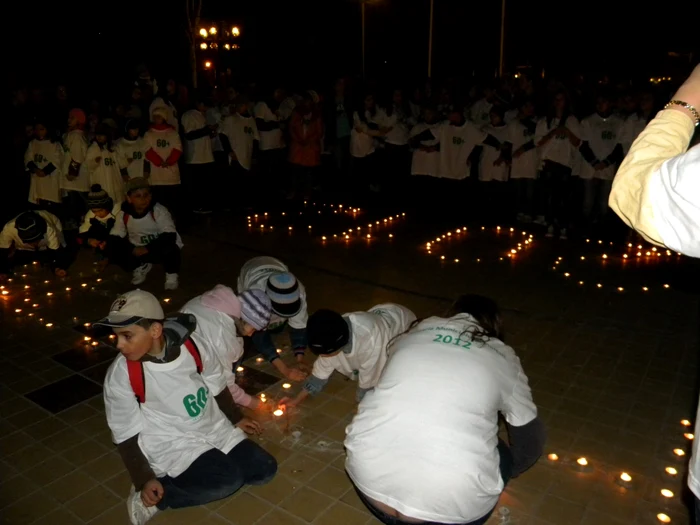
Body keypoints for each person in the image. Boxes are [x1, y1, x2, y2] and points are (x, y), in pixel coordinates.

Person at [345, 294, 545, 525]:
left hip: (369, 486)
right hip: (447, 515)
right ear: (492, 324)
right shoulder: (504, 355)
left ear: (454, 312)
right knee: (497, 447)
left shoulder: (415, 331)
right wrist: (505, 470)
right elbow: (531, 441)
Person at [99, 290, 276, 525]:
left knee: (264, 469)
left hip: (211, 426)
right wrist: (143, 479)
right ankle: (161, 496)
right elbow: (124, 433)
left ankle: (208, 462)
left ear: (155, 330)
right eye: (116, 337)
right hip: (174, 441)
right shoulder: (123, 374)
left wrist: (235, 418)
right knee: (228, 480)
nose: (119, 345)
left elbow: (216, 382)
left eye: (127, 336)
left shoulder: (193, 345)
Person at [609, 63, 700, 258]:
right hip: (639, 158)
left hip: (648, 163)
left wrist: (685, 104)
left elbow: (641, 188)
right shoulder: (632, 119)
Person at [281, 303, 416, 407]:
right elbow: (320, 374)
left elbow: (368, 383)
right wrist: (296, 400)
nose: (325, 357)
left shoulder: (371, 341)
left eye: (327, 354)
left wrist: (361, 411)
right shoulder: (329, 332)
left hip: (402, 326)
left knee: (392, 372)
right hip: (380, 313)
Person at [181, 286, 272, 410]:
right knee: (235, 350)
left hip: (180, 345)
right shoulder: (222, 339)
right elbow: (223, 383)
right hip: (184, 373)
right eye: (253, 329)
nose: (251, 334)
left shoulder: (210, 300)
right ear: (243, 319)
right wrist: (250, 402)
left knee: (238, 346)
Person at [237, 256, 309, 381]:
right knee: (248, 332)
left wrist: (300, 359)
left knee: (277, 328)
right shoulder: (256, 296)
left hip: (277, 264)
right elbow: (259, 336)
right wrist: (285, 370)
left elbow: (299, 328)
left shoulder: (299, 292)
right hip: (251, 269)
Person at [110, 177, 182, 290]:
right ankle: (140, 266)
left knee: (170, 247)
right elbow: (115, 235)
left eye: (146, 195)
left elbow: (169, 234)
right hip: (137, 248)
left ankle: (171, 273)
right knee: (114, 247)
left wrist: (148, 248)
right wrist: (131, 249)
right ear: (129, 198)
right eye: (138, 196)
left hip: (157, 246)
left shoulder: (158, 210)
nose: (144, 199)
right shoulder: (123, 214)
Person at [534, 91, 582, 239]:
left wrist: (566, 131)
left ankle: (563, 226)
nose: (558, 102)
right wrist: (553, 132)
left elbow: (578, 143)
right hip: (548, 163)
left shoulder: (572, 120)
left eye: (561, 100)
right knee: (549, 197)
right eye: (556, 99)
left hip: (565, 164)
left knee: (563, 199)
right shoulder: (545, 121)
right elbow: (538, 142)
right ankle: (550, 224)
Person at [578, 91, 624, 225]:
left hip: (607, 167)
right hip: (589, 167)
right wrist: (594, 162)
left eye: (603, 102)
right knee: (588, 201)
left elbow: (619, 146)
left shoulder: (619, 122)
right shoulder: (587, 121)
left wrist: (606, 162)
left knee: (604, 202)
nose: (600, 105)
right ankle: (585, 227)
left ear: (609, 104)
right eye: (598, 103)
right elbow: (583, 145)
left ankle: (602, 229)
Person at [0, 210, 69, 279]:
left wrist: (58, 268)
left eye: (36, 240)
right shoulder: (8, 229)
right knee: (20, 259)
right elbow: (3, 250)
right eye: (30, 241)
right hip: (22, 247)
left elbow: (57, 250)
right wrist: (3, 271)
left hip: (50, 234)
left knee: (51, 256)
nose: (34, 244)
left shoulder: (49, 228)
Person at [181, 94, 216, 214]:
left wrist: (210, 132)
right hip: (195, 157)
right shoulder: (189, 115)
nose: (205, 108)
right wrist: (207, 129)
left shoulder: (202, 115)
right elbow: (189, 134)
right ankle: (197, 206)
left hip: (205, 155)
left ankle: (204, 205)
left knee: (205, 183)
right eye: (204, 105)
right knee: (197, 184)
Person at [144, 107, 182, 216]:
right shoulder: (149, 134)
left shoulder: (173, 133)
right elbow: (147, 149)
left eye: (159, 116)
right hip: (156, 174)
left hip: (171, 174)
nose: (157, 118)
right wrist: (159, 162)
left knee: (171, 201)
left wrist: (169, 161)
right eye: (155, 116)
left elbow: (178, 149)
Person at [288, 91, 324, 198]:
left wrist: (309, 140)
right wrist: (298, 140)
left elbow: (319, 132)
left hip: (310, 147)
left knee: (308, 172)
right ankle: (293, 191)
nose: (307, 103)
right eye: (305, 100)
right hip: (297, 147)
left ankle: (307, 193)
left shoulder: (317, 114)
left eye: (309, 101)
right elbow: (291, 128)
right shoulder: (297, 112)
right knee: (295, 170)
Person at [61, 109, 90, 231]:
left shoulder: (77, 136)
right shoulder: (70, 134)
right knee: (75, 201)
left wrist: (72, 173)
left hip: (76, 177)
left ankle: (84, 223)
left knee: (80, 202)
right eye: (69, 118)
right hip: (71, 177)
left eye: (72, 118)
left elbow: (78, 156)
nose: (69, 120)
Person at [25, 119, 63, 213]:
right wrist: (36, 169)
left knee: (51, 206)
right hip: (37, 179)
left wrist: (45, 171)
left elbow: (58, 160)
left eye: (42, 129)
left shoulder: (55, 144)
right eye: (37, 129)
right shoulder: (33, 143)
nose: (39, 132)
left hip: (51, 179)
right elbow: (28, 159)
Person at [86, 123, 126, 207]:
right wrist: (95, 162)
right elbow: (89, 166)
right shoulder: (93, 149)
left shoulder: (113, 149)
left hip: (115, 182)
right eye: (97, 134)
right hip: (101, 183)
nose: (99, 137)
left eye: (102, 135)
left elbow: (121, 163)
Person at [78, 184, 117, 269]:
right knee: (95, 227)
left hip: (116, 236)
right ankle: (101, 257)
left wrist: (109, 240)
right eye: (95, 211)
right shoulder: (91, 215)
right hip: (101, 238)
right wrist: (89, 240)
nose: (98, 214)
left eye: (101, 210)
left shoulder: (117, 211)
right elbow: (83, 231)